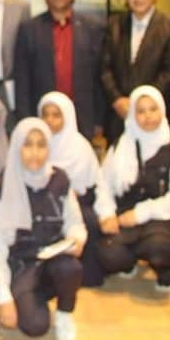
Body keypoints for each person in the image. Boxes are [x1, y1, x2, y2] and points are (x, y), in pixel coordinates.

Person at [0, 118, 86, 340]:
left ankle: (64, 313)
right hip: (21, 267)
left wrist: (77, 238)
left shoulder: (59, 179)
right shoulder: (3, 185)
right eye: (28, 145)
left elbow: (74, 222)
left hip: (53, 259)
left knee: (70, 267)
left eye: (41, 145)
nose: (35, 153)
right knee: (35, 326)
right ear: (16, 147)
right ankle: (30, 297)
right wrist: (4, 298)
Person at [94, 86, 170, 293]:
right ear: (132, 115)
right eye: (140, 111)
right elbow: (103, 184)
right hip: (125, 216)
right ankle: (128, 261)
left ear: (162, 110)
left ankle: (166, 272)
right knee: (108, 254)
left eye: (153, 109)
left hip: (162, 220)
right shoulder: (121, 146)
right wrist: (107, 214)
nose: (148, 116)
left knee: (157, 248)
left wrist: (141, 213)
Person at [14, 0, 105, 139]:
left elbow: (98, 78)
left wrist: (99, 120)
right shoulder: (29, 29)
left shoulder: (92, 28)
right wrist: (25, 119)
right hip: (42, 117)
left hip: (82, 118)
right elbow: (22, 81)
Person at [100, 0, 170, 144]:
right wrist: (117, 99)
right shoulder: (114, 25)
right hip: (119, 116)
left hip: (153, 116)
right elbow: (104, 68)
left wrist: (142, 104)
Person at [37, 92, 105, 287]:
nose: (49, 120)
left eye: (56, 115)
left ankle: (85, 275)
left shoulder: (79, 146)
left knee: (88, 220)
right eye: (45, 115)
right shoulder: (35, 142)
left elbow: (92, 183)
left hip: (75, 200)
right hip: (40, 200)